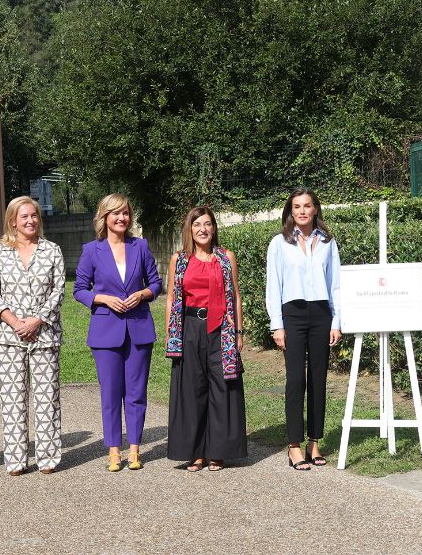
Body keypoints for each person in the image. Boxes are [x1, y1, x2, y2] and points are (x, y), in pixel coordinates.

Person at [74, 193, 162, 472]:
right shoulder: (92, 250)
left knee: (136, 393)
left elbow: (157, 284)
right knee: (111, 393)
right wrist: (102, 299)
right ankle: (114, 451)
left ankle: (134, 450)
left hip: (139, 329)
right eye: (115, 213)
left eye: (125, 213)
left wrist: (143, 294)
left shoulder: (141, 246)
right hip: (105, 332)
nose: (122, 217)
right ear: (104, 217)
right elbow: (79, 290)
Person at [0, 196, 65, 476]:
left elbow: (59, 290)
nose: (30, 221)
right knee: (13, 399)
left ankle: (47, 458)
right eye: (24, 217)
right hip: (8, 337)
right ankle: (17, 460)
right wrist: (16, 322)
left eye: (34, 216)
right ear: (13, 221)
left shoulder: (52, 250)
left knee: (47, 398)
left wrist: (37, 320)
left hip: (44, 335)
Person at [165, 207, 247, 471]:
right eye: (197, 224)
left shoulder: (226, 257)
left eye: (208, 224)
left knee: (222, 387)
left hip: (221, 328)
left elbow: (234, 294)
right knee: (192, 388)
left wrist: (238, 332)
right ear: (189, 229)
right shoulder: (178, 259)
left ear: (214, 228)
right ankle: (195, 451)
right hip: (189, 327)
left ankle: (218, 452)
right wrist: (171, 333)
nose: (203, 229)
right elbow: (171, 298)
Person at [266, 188, 342, 471]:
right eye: (296, 206)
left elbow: (336, 284)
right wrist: (277, 324)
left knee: (318, 379)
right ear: (290, 211)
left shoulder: (327, 242)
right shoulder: (279, 243)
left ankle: (315, 441)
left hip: (321, 314)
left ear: (315, 210)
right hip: (293, 314)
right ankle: (295, 446)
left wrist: (336, 321)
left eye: (307, 206)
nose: (301, 211)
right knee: (296, 379)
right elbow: (273, 285)